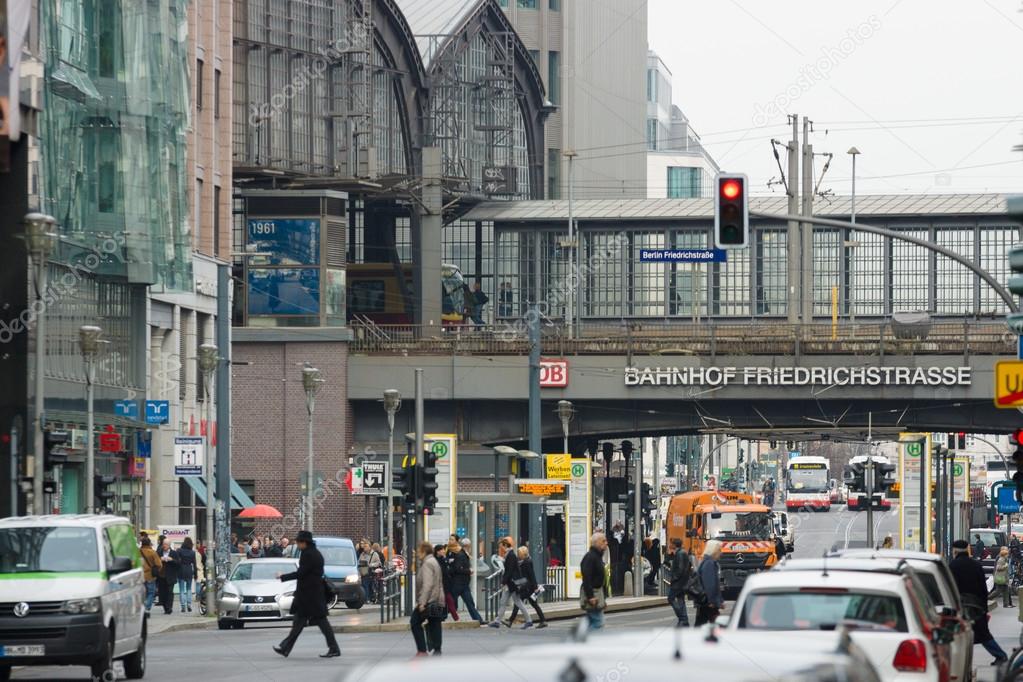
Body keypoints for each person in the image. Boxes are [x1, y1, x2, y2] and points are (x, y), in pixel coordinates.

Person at [273, 530, 340, 659]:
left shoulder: (309, 554)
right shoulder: (313, 553)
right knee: (301, 622)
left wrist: (283, 576)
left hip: (310, 596)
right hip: (311, 595)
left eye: (298, 542)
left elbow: (301, 573)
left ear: (304, 542)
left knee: (318, 623)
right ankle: (285, 648)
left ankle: (334, 648)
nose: (297, 544)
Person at [950, 539, 1008, 664]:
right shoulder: (976, 565)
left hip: (962, 606)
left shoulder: (952, 566)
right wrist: (984, 606)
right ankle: (999, 655)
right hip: (977, 605)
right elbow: (983, 587)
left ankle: (1000, 656)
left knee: (964, 634)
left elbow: (951, 587)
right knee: (982, 633)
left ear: (954, 551)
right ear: (967, 550)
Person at [488, 537, 532, 628]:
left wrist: (503, 582)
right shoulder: (509, 554)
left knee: (517, 602)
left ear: (505, 545)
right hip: (511, 583)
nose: (501, 549)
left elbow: (509, 570)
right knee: (505, 601)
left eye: (501, 547)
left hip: (512, 583)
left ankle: (528, 620)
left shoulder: (511, 555)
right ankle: (497, 621)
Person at [411, 542, 445, 657]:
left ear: (424, 551)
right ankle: (437, 650)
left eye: (419, 551)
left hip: (430, 600)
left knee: (414, 622)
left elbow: (428, 584)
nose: (417, 554)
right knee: (435, 623)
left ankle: (422, 650)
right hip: (438, 598)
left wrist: (422, 602)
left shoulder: (427, 564)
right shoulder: (434, 561)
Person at [507, 546, 547, 629]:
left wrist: (535, 586)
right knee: (533, 604)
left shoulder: (527, 562)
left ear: (523, 554)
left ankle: (510, 621)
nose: (518, 555)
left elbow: (532, 575)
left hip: (528, 587)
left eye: (519, 554)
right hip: (528, 587)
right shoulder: (524, 561)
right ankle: (543, 620)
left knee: (518, 603)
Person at [446, 538, 483, 624]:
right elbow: (457, 568)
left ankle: (478, 620)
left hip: (463, 584)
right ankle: (440, 617)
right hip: (458, 583)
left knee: (469, 602)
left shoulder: (462, 554)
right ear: (468, 546)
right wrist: (469, 571)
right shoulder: (461, 555)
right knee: (451, 603)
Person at [580, 532, 609, 630]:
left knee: (592, 620)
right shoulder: (591, 557)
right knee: (598, 622)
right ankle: (588, 641)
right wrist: (590, 596)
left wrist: (603, 599)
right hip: (593, 593)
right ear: (596, 543)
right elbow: (586, 577)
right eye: (603, 541)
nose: (606, 543)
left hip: (597, 593)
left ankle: (583, 639)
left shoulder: (597, 557)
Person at [694, 540, 724, 627]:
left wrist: (720, 600)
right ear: (713, 551)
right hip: (708, 602)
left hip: (705, 601)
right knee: (718, 625)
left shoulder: (708, 562)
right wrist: (712, 601)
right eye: (719, 550)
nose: (720, 553)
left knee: (700, 624)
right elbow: (710, 585)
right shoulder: (709, 563)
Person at [666, 538, 692, 627]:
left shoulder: (680, 553)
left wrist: (674, 578)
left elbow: (680, 569)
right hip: (681, 582)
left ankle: (682, 618)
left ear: (674, 544)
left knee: (671, 598)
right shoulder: (680, 552)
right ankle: (685, 621)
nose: (670, 545)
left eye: (671, 543)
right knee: (681, 600)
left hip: (678, 583)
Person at [434, 545, 459, 620]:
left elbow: (446, 570)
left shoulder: (443, 559)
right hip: (439, 584)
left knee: (448, 600)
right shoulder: (435, 560)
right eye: (442, 550)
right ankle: (453, 617)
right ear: (437, 551)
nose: (444, 551)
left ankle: (452, 617)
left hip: (445, 584)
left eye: (444, 550)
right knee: (446, 601)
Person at [172, 537, 198, 613]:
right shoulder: (192, 552)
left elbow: (177, 562)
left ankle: (183, 606)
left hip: (181, 570)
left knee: (182, 590)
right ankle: (189, 605)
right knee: (189, 589)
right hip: (189, 570)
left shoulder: (179, 551)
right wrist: (196, 574)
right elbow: (195, 564)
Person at [140, 537, 162, 614]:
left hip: (140, 576)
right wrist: (156, 571)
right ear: (149, 543)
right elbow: (159, 564)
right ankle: (147, 607)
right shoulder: (152, 552)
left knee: (142, 593)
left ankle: (142, 607)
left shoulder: (137, 552)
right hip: (150, 576)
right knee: (151, 592)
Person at [158, 540, 178, 615]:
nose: (164, 546)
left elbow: (178, 563)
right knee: (162, 593)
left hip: (171, 576)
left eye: (166, 544)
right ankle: (165, 607)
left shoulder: (174, 553)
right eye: (163, 544)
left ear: (169, 545)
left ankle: (169, 608)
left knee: (169, 592)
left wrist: (171, 560)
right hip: (161, 576)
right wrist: (160, 559)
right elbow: (155, 561)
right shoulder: (159, 552)